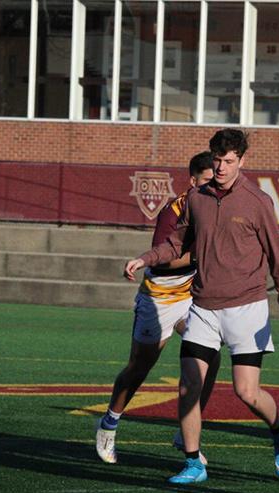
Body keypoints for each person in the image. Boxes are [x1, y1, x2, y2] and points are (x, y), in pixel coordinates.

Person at [124, 129, 279, 484]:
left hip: (246, 307)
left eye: (229, 161)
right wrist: (145, 258)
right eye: (217, 160)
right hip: (202, 306)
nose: (221, 167)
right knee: (189, 384)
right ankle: (193, 462)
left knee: (246, 391)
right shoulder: (196, 197)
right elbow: (176, 243)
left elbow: (277, 256)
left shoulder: (257, 201)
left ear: (242, 161)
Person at [96, 151, 220, 465]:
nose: (212, 187)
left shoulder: (216, 207)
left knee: (210, 356)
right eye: (207, 181)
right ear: (192, 181)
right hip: (160, 296)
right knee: (139, 367)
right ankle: (109, 423)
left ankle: (187, 432)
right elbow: (163, 258)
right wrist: (199, 256)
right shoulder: (174, 210)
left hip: (191, 294)